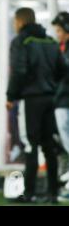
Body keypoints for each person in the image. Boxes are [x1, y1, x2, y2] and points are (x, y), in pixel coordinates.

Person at [6, 7, 66, 204]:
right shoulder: (50, 41)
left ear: (21, 22)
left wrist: (11, 95)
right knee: (49, 146)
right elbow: (63, 70)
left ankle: (29, 193)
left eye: (15, 22)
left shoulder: (21, 41)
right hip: (50, 99)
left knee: (30, 145)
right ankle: (52, 194)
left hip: (30, 100)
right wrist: (52, 88)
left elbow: (19, 71)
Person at [51, 11, 69, 190]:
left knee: (65, 134)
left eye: (59, 30)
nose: (57, 34)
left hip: (64, 99)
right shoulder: (61, 48)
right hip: (60, 99)